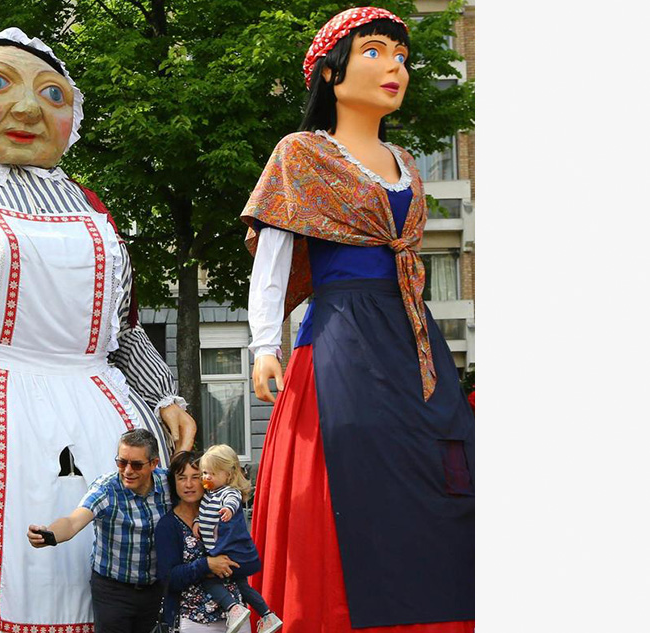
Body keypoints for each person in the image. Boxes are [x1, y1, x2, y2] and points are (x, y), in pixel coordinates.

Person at [0, 28, 196, 633]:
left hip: (102, 421)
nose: (27, 107)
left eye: (51, 93)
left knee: (105, 580)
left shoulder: (91, 204)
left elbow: (120, 330)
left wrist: (164, 394)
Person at [241, 7, 474, 632]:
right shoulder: (302, 155)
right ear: (330, 70)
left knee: (443, 468)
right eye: (375, 51)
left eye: (401, 55)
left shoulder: (407, 164)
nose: (395, 65)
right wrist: (265, 342)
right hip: (343, 340)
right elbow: (274, 256)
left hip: (414, 335)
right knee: (349, 474)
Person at [27, 429, 172, 633]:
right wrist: (49, 535)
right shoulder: (106, 489)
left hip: (154, 590)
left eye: (136, 464)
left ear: (154, 464)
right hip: (113, 591)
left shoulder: (168, 483)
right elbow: (73, 521)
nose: (128, 471)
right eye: (121, 462)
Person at [155, 451, 252, 633]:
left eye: (196, 477)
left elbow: (244, 556)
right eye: (182, 478)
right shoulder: (168, 525)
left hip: (236, 618)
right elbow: (168, 579)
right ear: (173, 482)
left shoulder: (224, 513)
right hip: (194, 621)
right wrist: (206, 566)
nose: (189, 484)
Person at [191, 446, 281, 633]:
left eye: (212, 473)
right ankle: (267, 615)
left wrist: (228, 510)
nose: (206, 478)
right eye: (204, 473)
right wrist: (197, 521)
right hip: (223, 549)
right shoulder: (209, 494)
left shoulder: (228, 492)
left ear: (229, 475)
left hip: (226, 551)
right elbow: (204, 512)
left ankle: (233, 608)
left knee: (208, 580)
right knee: (242, 585)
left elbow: (233, 501)